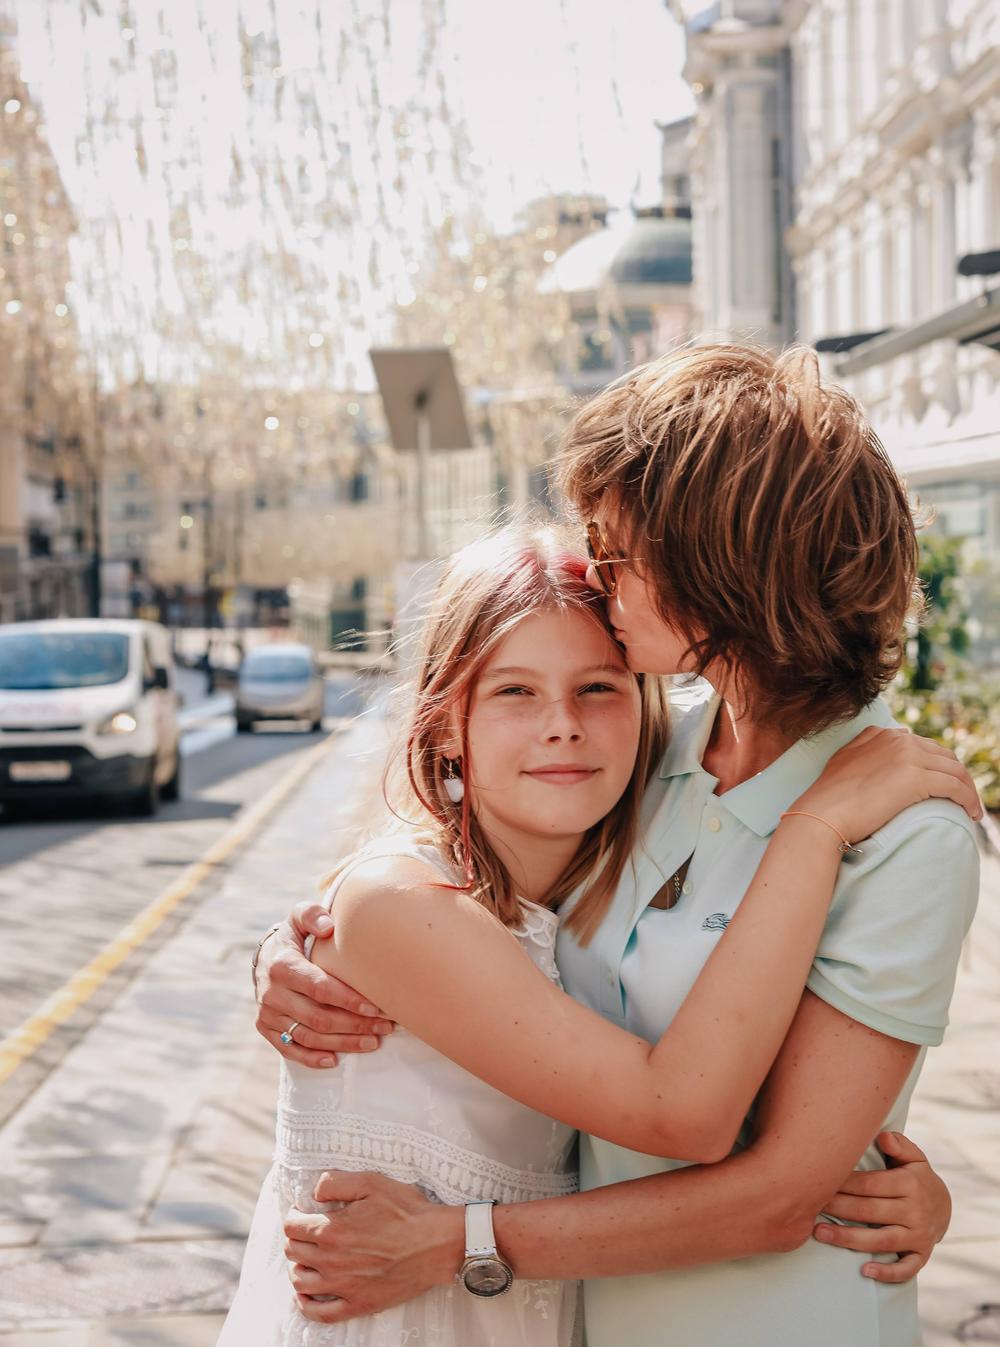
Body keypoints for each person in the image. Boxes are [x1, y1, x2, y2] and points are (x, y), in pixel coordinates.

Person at [255, 346, 981, 1347]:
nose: (599, 577)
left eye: (618, 550)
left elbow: (777, 1190)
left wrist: (460, 1241)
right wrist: (301, 948)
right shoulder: (654, 752)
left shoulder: (905, 829)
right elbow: (479, 890)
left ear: (718, 566)